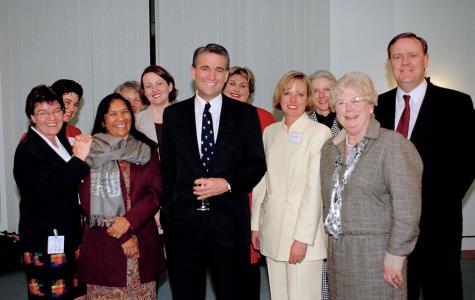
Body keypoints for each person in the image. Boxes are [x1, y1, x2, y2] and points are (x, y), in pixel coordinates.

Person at [161, 43, 266, 300]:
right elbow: (168, 170)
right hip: (184, 227)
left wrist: (227, 183)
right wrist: (168, 217)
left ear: (227, 74)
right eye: (205, 68)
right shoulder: (173, 115)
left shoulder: (246, 115)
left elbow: (256, 164)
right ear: (193, 71)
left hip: (229, 225)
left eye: (219, 70)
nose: (212, 75)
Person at [375, 32, 475, 300]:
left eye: (412, 55)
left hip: (438, 225)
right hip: (388, 228)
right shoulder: (376, 106)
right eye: (397, 57)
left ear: (426, 59)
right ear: (389, 63)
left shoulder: (457, 103)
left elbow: (467, 163)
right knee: (394, 292)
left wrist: (427, 205)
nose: (404, 62)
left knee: (441, 290)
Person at [320, 71, 423, 299]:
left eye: (356, 100)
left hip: (377, 254)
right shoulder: (329, 150)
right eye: (342, 102)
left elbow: (407, 209)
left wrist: (396, 256)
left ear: (371, 105)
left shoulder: (392, 145)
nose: (349, 108)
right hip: (339, 253)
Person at [251, 71, 330, 300]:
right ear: (279, 96)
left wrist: (302, 239)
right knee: (279, 295)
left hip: (303, 235)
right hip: (273, 229)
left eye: (300, 94)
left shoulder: (319, 133)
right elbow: (262, 182)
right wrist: (256, 224)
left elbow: (315, 190)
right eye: (288, 93)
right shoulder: (270, 132)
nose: (293, 99)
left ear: (308, 100)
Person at [77, 94, 164, 299]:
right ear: (102, 120)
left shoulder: (146, 148)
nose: (120, 118)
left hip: (141, 235)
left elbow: (156, 192)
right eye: (113, 114)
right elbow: (89, 200)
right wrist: (123, 235)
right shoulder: (90, 149)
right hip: (105, 240)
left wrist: (128, 222)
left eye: (124, 112)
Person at [13, 85, 92, 299]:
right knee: (51, 295)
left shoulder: (60, 140)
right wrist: (79, 158)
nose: (51, 117)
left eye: (56, 110)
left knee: (78, 293)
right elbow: (50, 191)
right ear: (32, 116)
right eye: (43, 112)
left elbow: (74, 179)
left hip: (70, 232)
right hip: (44, 238)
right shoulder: (28, 150)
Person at [223, 66, 275, 299]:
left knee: (249, 268)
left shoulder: (264, 118)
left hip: (255, 198)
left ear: (250, 92)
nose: (236, 89)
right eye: (232, 84)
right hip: (222, 200)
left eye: (242, 86)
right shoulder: (213, 117)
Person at [19, 79, 84, 144]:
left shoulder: (76, 132)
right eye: (67, 102)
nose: (72, 109)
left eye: (76, 104)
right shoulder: (31, 138)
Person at [136, 65, 178, 156]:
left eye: (159, 83)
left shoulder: (186, 117)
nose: (155, 89)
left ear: (170, 86)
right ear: (144, 93)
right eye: (148, 86)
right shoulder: (136, 121)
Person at [308, 70, 342, 136]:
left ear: (335, 91)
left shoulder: (346, 119)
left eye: (327, 89)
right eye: (316, 91)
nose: (321, 95)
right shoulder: (304, 122)